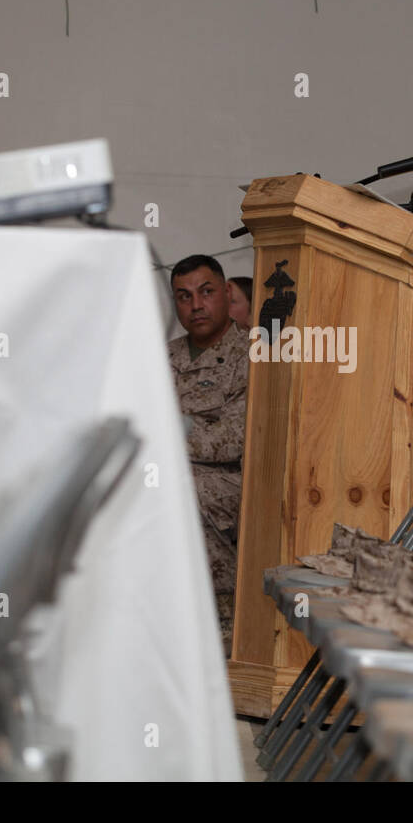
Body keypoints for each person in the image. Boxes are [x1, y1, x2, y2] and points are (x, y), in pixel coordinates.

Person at [166, 254, 249, 658]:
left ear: (227, 292)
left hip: (234, 482)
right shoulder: (160, 357)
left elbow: (235, 436)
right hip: (164, 472)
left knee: (184, 490)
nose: (196, 305)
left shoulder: (255, 354)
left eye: (206, 292)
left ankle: (224, 624)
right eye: (184, 296)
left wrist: (162, 438)